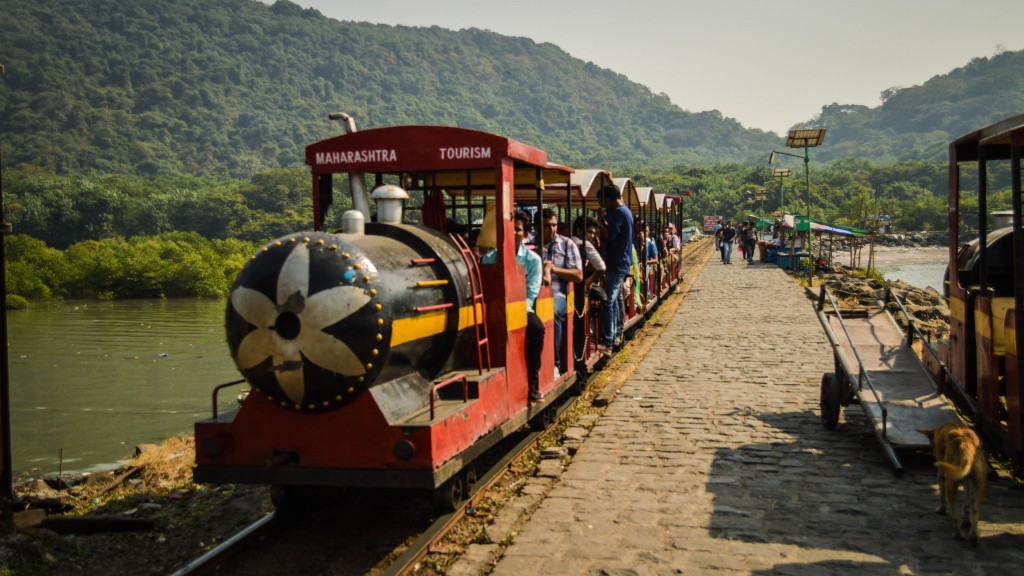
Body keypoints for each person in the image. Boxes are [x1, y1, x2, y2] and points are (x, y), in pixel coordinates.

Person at [541, 208, 582, 376]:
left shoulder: (567, 244)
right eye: (546, 225)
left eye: (554, 225)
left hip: (559, 295)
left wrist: (553, 269)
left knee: (551, 311)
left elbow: (578, 275)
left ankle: (555, 363)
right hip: (531, 294)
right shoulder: (530, 243)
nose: (551, 229)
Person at [596, 183, 633, 354]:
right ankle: (618, 333)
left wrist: (599, 222)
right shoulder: (626, 212)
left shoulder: (618, 213)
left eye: (604, 202)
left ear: (610, 200)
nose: (603, 206)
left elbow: (610, 235)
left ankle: (608, 341)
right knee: (617, 300)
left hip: (616, 262)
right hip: (622, 262)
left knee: (608, 301)